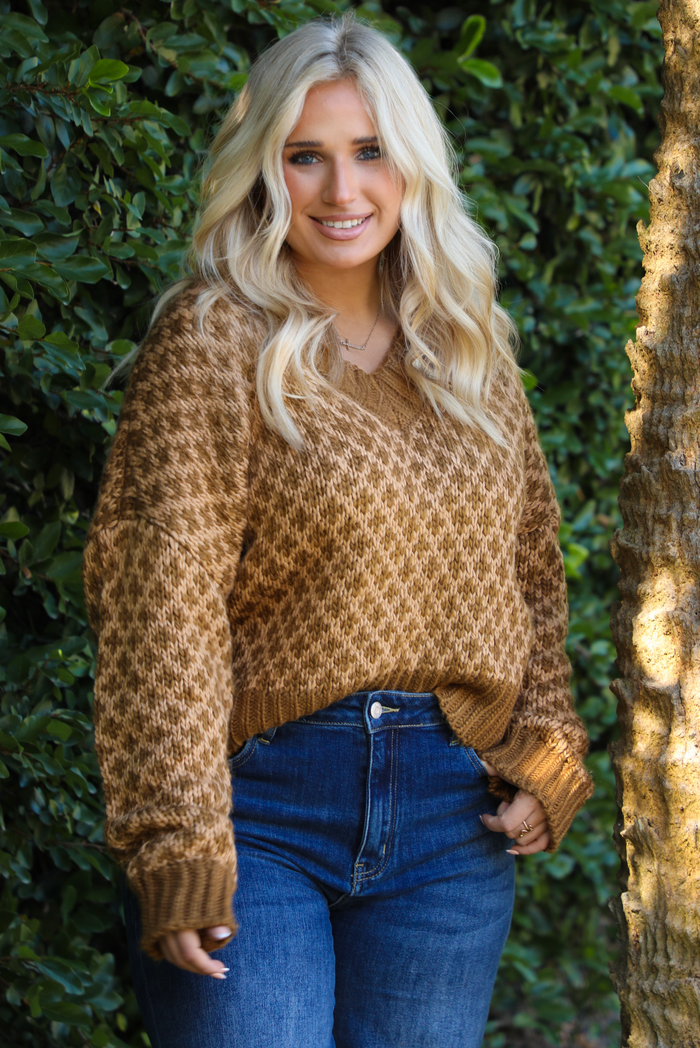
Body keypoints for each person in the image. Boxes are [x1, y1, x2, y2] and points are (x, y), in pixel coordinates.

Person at [81, 12, 594, 1048]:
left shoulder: (467, 346)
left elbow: (529, 570)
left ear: (411, 166)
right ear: (263, 169)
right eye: (303, 156)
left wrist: (544, 746)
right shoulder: (213, 340)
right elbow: (158, 607)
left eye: (368, 153)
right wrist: (177, 837)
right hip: (256, 817)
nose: (341, 191)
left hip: (453, 825)